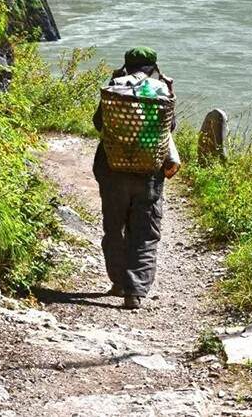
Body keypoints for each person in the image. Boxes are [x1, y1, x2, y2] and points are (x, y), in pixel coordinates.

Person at [92, 47, 178, 310]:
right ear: (153, 67)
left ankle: (118, 282)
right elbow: (169, 128)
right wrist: (170, 90)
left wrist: (114, 81)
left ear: (126, 66)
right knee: (144, 232)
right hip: (148, 174)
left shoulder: (115, 86)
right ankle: (135, 292)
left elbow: (98, 123)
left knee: (114, 227)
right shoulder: (161, 90)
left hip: (113, 171)